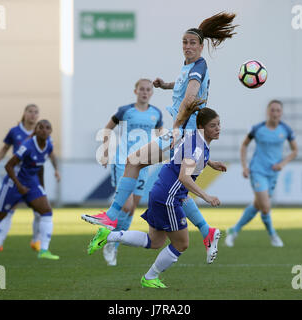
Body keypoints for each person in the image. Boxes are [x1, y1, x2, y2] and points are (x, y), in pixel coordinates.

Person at [82, 12, 237, 264]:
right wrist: (165, 85)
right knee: (178, 191)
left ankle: (111, 216)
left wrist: (175, 126)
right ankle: (207, 231)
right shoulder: (191, 67)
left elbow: (190, 98)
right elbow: (184, 87)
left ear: (201, 46)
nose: (187, 46)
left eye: (192, 43)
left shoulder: (199, 66)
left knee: (134, 161)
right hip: (187, 134)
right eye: (184, 42)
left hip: (181, 132)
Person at [87, 108, 221, 288]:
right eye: (213, 125)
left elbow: (187, 156)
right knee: (182, 244)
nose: (218, 128)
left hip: (160, 193)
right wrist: (206, 196)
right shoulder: (196, 147)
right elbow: (183, 176)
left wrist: (210, 163)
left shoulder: (195, 141)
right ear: (201, 127)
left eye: (219, 124)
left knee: (155, 241)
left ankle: (109, 236)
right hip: (168, 198)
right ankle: (150, 277)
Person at [0, 120, 60, 260]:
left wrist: (43, 187)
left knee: (46, 212)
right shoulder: (27, 146)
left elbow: (41, 166)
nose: (44, 130)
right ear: (37, 130)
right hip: (13, 184)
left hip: (31, 183)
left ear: (51, 131)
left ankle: (44, 251)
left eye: (48, 128)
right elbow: (9, 166)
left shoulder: (49, 146)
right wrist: (19, 186)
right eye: (41, 127)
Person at [99, 78, 164, 266]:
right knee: (126, 206)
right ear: (135, 91)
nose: (145, 92)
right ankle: (107, 231)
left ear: (151, 92)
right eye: (141, 89)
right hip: (122, 162)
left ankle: (112, 245)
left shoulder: (156, 114)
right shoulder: (125, 111)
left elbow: (161, 138)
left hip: (142, 165)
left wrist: (162, 157)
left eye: (148, 89)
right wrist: (104, 152)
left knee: (132, 208)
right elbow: (107, 129)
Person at [0, 104, 60, 252]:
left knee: (40, 211)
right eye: (30, 112)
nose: (33, 114)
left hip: (37, 174)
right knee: (9, 211)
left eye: (36, 112)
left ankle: (36, 241)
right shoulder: (15, 131)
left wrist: (56, 170)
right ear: (24, 114)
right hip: (18, 175)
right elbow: (4, 149)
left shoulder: (43, 132)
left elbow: (51, 153)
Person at [225, 100, 298, 247]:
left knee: (258, 205)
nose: (275, 113)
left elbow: (295, 150)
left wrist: (282, 164)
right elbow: (244, 145)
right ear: (267, 112)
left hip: (273, 173)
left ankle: (234, 230)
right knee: (265, 206)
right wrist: (245, 166)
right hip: (257, 171)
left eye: (278, 110)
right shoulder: (257, 128)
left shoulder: (286, 130)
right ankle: (273, 235)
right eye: (272, 110)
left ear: (281, 113)